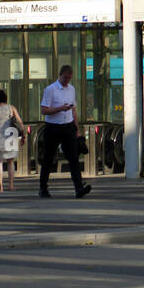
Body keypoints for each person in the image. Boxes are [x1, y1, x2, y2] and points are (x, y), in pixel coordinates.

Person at [38, 65, 91, 199]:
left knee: (73, 158)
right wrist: (60, 108)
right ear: (60, 76)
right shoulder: (50, 90)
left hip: (68, 127)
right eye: (65, 78)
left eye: (69, 78)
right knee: (48, 159)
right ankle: (43, 188)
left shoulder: (71, 89)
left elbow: (73, 110)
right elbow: (44, 110)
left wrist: (77, 129)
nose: (67, 81)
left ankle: (79, 188)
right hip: (53, 127)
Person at [0, 89, 24, 193]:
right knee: (10, 161)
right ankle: (11, 185)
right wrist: (23, 135)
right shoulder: (11, 108)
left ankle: (0, 186)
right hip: (10, 136)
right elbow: (20, 122)